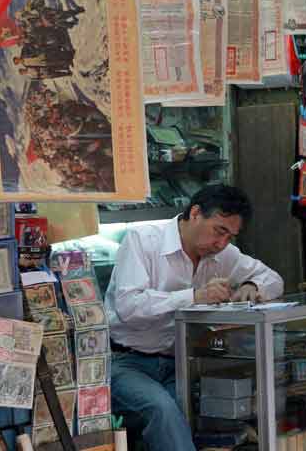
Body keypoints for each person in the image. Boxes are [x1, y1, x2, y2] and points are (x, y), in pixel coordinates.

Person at [103, 185, 283, 451]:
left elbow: (274, 279)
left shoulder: (223, 255)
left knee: (222, 404)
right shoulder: (143, 240)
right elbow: (129, 306)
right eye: (219, 231)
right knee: (162, 408)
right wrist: (194, 296)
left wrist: (253, 286)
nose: (221, 244)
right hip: (125, 361)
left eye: (230, 237)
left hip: (181, 363)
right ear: (196, 213)